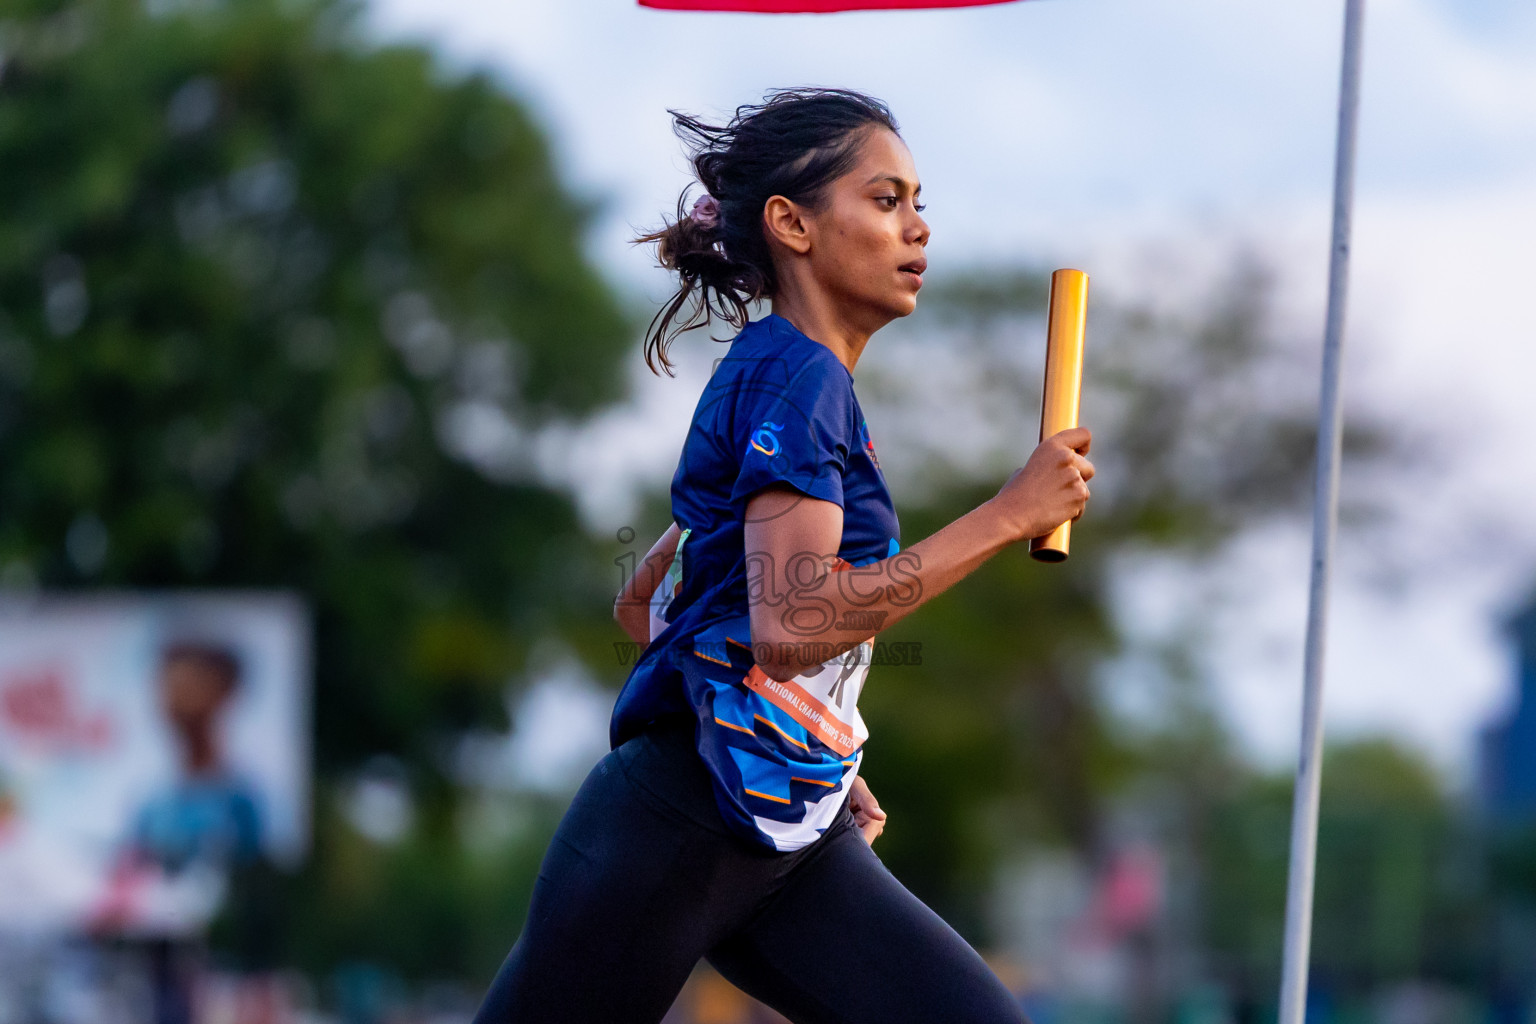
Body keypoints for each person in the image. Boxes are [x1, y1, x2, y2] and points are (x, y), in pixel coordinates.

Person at [471, 88, 1094, 1024]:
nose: (919, 227)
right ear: (791, 225)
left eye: (919, 203)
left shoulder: (779, 372)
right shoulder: (797, 377)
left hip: (780, 831)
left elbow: (651, 604)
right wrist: (1009, 515)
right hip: (674, 833)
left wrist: (803, 731)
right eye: (885, 200)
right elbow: (794, 624)